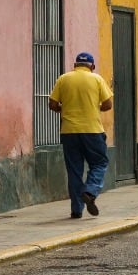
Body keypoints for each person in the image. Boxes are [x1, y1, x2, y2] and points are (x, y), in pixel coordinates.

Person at [48, 51, 113, 219]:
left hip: (69, 132)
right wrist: (93, 107)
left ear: (75, 65)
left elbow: (52, 104)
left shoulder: (63, 79)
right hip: (92, 130)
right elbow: (108, 104)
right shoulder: (96, 79)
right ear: (92, 66)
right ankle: (90, 191)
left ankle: (77, 210)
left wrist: (66, 108)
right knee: (99, 163)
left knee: (74, 171)